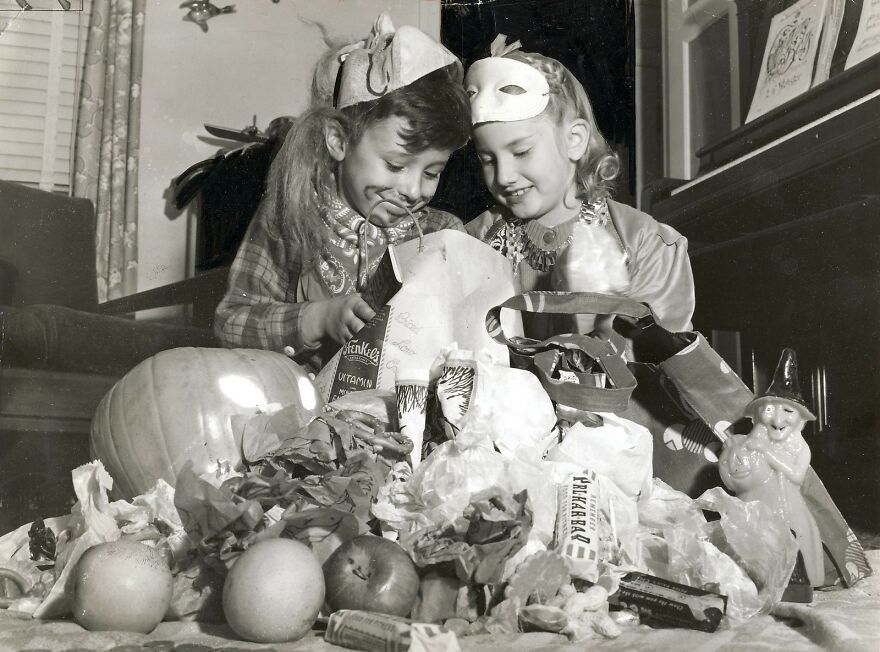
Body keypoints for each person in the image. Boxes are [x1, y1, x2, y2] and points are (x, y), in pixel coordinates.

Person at [214, 16, 471, 372]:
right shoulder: (292, 218)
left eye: (432, 172)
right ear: (338, 140)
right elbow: (232, 324)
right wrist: (318, 318)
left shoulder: (442, 235)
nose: (414, 190)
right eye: (395, 166)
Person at [463, 36, 694, 339]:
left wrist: (599, 319)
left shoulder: (644, 243)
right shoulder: (473, 241)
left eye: (521, 152)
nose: (503, 176)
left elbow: (662, 361)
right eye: (487, 159)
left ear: (574, 140)